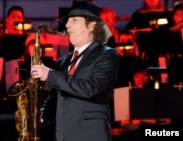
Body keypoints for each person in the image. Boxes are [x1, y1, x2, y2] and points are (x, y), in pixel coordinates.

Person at [31, 1, 119, 141]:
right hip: (62, 134)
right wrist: (40, 112)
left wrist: (50, 74)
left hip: (90, 134)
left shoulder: (107, 54)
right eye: (68, 21)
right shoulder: (63, 61)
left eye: (74, 20)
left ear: (91, 25)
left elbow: (91, 88)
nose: (67, 25)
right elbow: (54, 96)